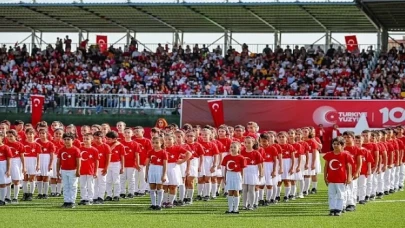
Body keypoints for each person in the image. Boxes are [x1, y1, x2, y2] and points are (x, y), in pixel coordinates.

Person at [323, 136, 353, 216]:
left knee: (341, 194)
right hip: (331, 179)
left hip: (341, 179)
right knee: (331, 194)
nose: (335, 145)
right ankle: (332, 209)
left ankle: (339, 209)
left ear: (343, 145)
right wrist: (325, 177)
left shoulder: (345, 155)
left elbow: (348, 166)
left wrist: (349, 177)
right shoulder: (329, 155)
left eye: (338, 144)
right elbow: (326, 166)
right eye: (334, 144)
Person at [57, 132, 81, 208]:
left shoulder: (76, 150)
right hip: (64, 170)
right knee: (65, 186)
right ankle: (66, 201)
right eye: (65, 139)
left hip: (73, 170)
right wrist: (58, 171)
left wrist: (78, 170)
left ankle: (72, 201)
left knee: (73, 186)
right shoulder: (61, 150)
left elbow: (78, 161)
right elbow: (58, 161)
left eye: (68, 139)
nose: (66, 141)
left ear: (73, 140)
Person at [222, 141, 246, 214]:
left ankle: (235, 209)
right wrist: (224, 177)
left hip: (237, 175)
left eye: (235, 147)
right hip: (229, 175)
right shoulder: (227, 157)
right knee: (230, 191)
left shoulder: (241, 157)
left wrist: (242, 178)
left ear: (239, 148)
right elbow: (225, 168)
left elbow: (242, 169)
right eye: (231, 147)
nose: (232, 148)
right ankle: (230, 208)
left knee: (236, 191)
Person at [145, 136, 168, 210]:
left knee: (159, 187)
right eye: (153, 143)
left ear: (161, 143)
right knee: (152, 187)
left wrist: (164, 175)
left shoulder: (163, 152)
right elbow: (147, 164)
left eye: (157, 143)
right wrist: (146, 174)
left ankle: (159, 205)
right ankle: (153, 204)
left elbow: (165, 165)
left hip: (159, 170)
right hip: (152, 170)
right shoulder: (150, 152)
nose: (155, 144)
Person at [240, 136, 263, 210]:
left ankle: (251, 204)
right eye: (245, 143)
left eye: (249, 143)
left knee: (251, 189)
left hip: (253, 172)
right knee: (244, 189)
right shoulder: (241, 152)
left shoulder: (256, 153)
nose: (247, 144)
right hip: (244, 171)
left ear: (253, 143)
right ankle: (244, 205)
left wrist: (261, 173)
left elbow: (260, 164)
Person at [4, 130, 25, 203]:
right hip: (7, 162)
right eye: (8, 136)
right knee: (7, 181)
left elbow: (22, 156)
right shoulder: (5, 144)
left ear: (15, 136)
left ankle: (15, 197)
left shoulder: (19, 145)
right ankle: (8, 197)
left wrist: (24, 167)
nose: (9, 138)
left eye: (11, 136)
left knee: (16, 180)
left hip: (16, 162)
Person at [120, 128, 141, 199]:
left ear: (132, 134)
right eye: (125, 132)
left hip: (131, 164)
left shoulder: (135, 144)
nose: (127, 134)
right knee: (122, 178)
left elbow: (137, 155)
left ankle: (131, 192)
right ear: (123, 134)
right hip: (122, 164)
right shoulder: (120, 143)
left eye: (129, 132)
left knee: (131, 178)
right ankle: (122, 192)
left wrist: (137, 164)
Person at [78, 133, 99, 205]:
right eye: (84, 139)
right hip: (81, 171)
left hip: (90, 170)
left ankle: (90, 198)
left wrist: (95, 171)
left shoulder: (94, 150)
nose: (85, 140)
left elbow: (96, 161)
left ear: (91, 140)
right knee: (82, 185)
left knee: (90, 185)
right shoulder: (79, 149)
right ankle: (84, 198)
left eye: (87, 139)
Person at [104, 131, 125, 201]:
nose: (107, 140)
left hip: (116, 164)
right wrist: (114, 145)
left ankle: (116, 195)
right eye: (106, 139)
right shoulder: (106, 145)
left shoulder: (120, 146)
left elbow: (122, 157)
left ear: (115, 139)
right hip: (107, 163)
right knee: (108, 180)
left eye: (109, 139)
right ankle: (109, 195)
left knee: (116, 180)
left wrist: (122, 167)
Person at [22, 128, 41, 201]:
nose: (29, 135)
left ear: (34, 135)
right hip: (24, 161)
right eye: (28, 134)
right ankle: (25, 193)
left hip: (33, 161)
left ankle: (31, 194)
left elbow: (38, 156)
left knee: (32, 178)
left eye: (31, 134)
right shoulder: (22, 143)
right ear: (25, 134)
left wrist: (38, 164)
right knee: (25, 178)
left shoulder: (37, 145)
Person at [36, 128, 56, 199]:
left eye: (43, 133)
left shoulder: (50, 144)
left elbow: (52, 156)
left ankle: (45, 193)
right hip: (39, 160)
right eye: (40, 133)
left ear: (47, 134)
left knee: (46, 177)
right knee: (39, 177)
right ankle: (40, 193)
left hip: (46, 160)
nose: (41, 135)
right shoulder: (37, 142)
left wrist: (50, 164)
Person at [92, 131, 111, 204]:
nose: (96, 140)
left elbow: (108, 158)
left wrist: (106, 168)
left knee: (102, 183)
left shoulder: (106, 146)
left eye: (98, 138)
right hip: (94, 168)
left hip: (102, 168)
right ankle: (95, 197)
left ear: (102, 138)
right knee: (94, 183)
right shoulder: (92, 145)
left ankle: (101, 197)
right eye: (95, 138)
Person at [0, 133, 12, 206]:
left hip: (2, 165)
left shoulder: (6, 147)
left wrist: (8, 170)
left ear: (2, 138)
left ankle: (2, 199)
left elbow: (9, 160)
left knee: (2, 183)